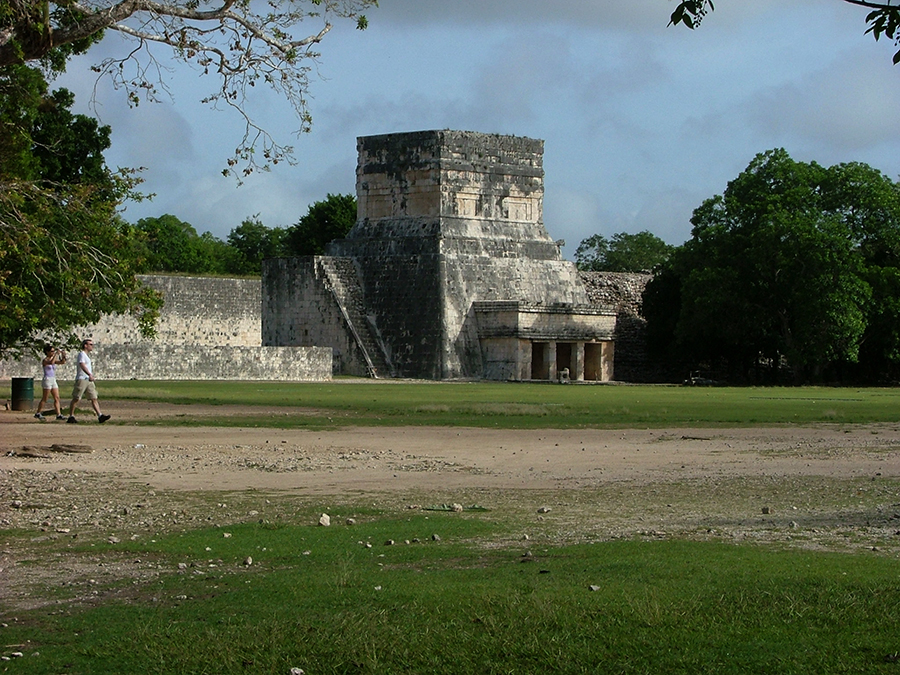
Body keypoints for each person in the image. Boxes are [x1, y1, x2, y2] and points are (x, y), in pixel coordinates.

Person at [67, 339, 110, 424]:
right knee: (76, 398)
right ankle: (71, 416)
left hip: (88, 379)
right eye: (90, 344)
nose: (92, 346)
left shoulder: (86, 356)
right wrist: (89, 374)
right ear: (85, 345)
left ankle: (100, 415)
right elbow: (82, 364)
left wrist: (90, 375)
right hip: (82, 378)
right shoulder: (81, 354)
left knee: (94, 397)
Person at [34, 344, 67, 421]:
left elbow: (62, 362)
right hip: (47, 379)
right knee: (45, 398)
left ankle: (58, 414)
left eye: (53, 351)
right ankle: (38, 413)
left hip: (53, 379)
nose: (53, 352)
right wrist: (56, 354)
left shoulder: (53, 359)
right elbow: (51, 362)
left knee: (57, 398)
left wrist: (63, 355)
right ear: (47, 352)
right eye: (51, 351)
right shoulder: (45, 360)